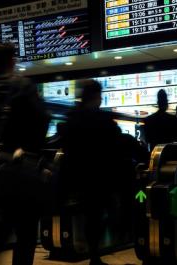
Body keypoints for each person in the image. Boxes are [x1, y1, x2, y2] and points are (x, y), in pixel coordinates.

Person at [0, 42, 49, 265]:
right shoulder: (23, 86)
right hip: (24, 168)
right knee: (25, 233)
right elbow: (42, 120)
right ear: (12, 60)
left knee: (4, 224)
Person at [62, 80, 124, 265]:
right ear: (96, 97)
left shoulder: (71, 117)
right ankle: (96, 254)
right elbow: (116, 144)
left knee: (90, 215)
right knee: (103, 214)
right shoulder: (103, 120)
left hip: (78, 177)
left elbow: (66, 145)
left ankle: (93, 254)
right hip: (100, 177)